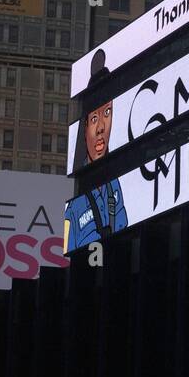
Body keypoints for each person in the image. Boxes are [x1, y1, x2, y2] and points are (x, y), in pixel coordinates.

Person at [65, 52, 128, 252]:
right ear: (84, 128)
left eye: (107, 113)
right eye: (94, 119)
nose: (101, 127)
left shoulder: (115, 186)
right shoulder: (74, 205)